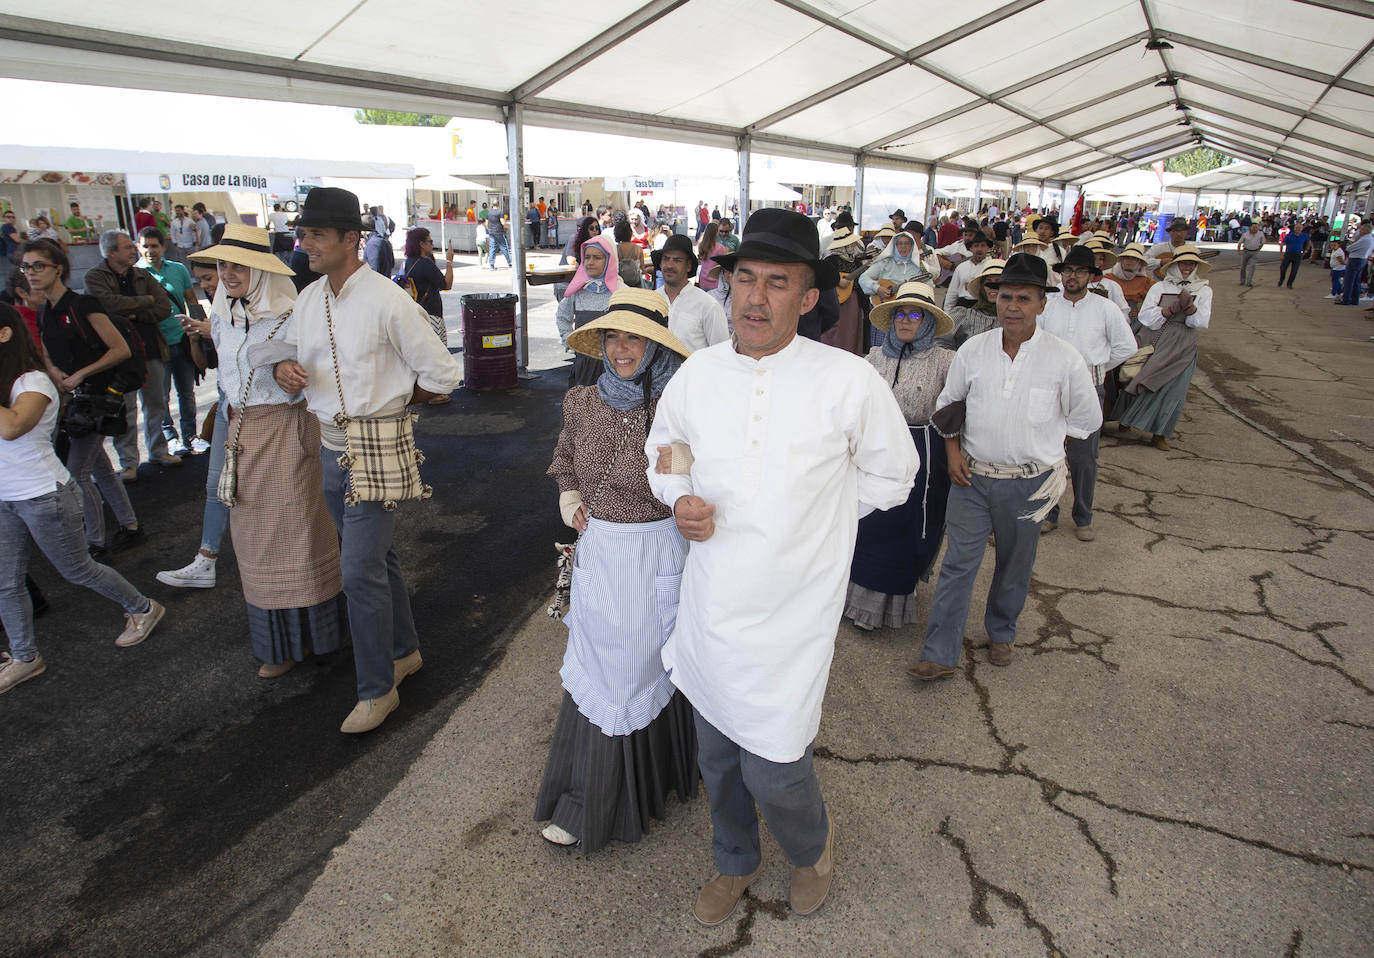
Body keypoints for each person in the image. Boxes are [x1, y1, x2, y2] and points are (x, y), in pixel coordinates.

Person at [646, 208, 916, 924]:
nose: (756, 299)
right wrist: (679, 498)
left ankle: (811, 848)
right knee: (718, 758)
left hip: (793, 618)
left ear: (808, 295)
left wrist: (818, 517)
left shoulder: (848, 381)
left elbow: (896, 474)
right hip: (713, 607)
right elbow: (665, 452)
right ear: (728, 285)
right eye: (744, 279)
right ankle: (734, 860)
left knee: (775, 763)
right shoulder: (697, 375)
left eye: (777, 282)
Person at [272, 187, 463, 733]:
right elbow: (283, 353)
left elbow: (443, 373)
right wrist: (284, 370)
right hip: (329, 449)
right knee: (376, 563)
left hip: (377, 448)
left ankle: (377, 689)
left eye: (315, 234)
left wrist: (398, 403)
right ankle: (404, 652)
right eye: (302, 233)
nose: (304, 242)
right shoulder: (309, 298)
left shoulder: (387, 298)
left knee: (357, 572)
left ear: (350, 240)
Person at [536, 287, 698, 851]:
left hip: (657, 551)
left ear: (656, 345)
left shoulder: (676, 409)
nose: (622, 348)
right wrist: (570, 495)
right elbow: (564, 461)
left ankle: (642, 788)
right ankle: (590, 797)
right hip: (601, 551)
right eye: (613, 336)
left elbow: (690, 482)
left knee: (645, 665)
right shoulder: (579, 401)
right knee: (605, 670)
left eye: (636, 337)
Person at [908, 254, 1100, 680]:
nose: (1013, 306)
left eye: (1024, 298)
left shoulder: (1064, 359)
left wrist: (1047, 447)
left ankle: (1002, 631)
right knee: (958, 564)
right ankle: (939, 653)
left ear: (1041, 304)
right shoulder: (973, 351)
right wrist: (954, 454)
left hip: (1029, 485)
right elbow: (948, 407)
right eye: (1006, 296)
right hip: (971, 477)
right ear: (994, 299)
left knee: (1015, 563)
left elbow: (1087, 420)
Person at [189, 225, 348, 678]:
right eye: (223, 265)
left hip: (286, 435)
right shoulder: (223, 314)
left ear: (262, 269)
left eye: (240, 265)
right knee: (253, 543)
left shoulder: (293, 315)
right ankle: (279, 646)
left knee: (296, 535)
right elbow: (228, 377)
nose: (230, 273)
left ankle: (317, 639)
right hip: (240, 432)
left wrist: (287, 367)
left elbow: (322, 369)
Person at [0, 305, 166, 694]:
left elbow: (12, 428)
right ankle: (26, 657)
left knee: (77, 569)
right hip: (7, 498)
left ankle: (143, 608)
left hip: (44, 496)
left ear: (4, 334)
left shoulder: (33, 383)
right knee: (5, 583)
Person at [22, 239, 145, 557]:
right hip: (77, 401)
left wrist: (81, 374)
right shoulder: (46, 312)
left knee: (78, 472)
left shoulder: (83, 305)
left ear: (57, 268)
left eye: (38, 266)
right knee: (99, 468)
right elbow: (47, 352)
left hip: (99, 400)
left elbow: (120, 349)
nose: (31, 273)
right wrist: (54, 372)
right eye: (26, 266)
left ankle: (97, 541)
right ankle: (130, 526)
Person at [844, 282, 955, 630]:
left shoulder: (945, 361)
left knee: (906, 528)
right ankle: (852, 603)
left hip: (921, 453)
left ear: (927, 322)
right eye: (900, 314)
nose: (906, 321)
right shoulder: (873, 359)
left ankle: (888, 606)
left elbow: (955, 412)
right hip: (872, 451)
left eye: (915, 314)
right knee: (867, 522)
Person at [1039, 245, 1136, 541]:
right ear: (1061, 273)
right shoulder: (1049, 304)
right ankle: (1048, 513)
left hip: (1088, 388)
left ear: (1091, 276)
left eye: (1080, 271)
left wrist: (1095, 368)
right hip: (1049, 386)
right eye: (1068, 270)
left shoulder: (1105, 308)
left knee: (1083, 456)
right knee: (1047, 451)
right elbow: (1036, 339)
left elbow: (1127, 346)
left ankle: (1083, 516)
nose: (1073, 276)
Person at [84, 230, 182, 476]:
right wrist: (145, 301)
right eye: (128, 247)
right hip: (119, 356)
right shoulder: (95, 277)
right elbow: (106, 306)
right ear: (111, 252)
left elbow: (162, 307)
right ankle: (129, 462)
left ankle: (158, 451)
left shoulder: (141, 275)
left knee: (157, 404)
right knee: (125, 409)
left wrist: (136, 313)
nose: (134, 251)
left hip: (150, 348)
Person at [157, 257, 229, 590]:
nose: (209, 284)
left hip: (264, 416)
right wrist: (194, 338)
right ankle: (207, 558)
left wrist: (209, 330)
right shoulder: (213, 312)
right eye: (202, 280)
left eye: (210, 277)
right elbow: (207, 363)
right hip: (230, 408)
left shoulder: (253, 307)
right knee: (215, 486)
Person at [1112, 245, 1212, 451]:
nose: (1187, 267)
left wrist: (1191, 309)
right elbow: (1146, 316)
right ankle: (1126, 418)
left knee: (1174, 389)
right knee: (1141, 378)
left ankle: (1159, 433)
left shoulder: (1203, 289)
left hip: (1183, 342)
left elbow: (1202, 321)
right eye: (1183, 263)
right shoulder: (1160, 287)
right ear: (1175, 265)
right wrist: (1168, 310)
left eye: (1191, 264)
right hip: (1157, 338)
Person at [138, 228, 206, 456]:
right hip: (155, 346)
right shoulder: (136, 273)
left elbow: (191, 299)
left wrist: (200, 329)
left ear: (163, 247)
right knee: (160, 396)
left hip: (182, 340)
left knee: (186, 392)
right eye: (145, 246)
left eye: (154, 246)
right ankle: (171, 437)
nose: (150, 250)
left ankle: (190, 436)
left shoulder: (177, 270)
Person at [557, 234, 619, 387]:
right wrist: (569, 341)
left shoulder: (621, 292)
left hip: (614, 369)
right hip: (583, 367)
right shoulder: (578, 292)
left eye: (597, 257)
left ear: (609, 260)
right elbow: (562, 316)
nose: (590, 262)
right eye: (587, 257)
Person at [653, 234, 728, 352]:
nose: (669, 265)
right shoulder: (652, 301)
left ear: (688, 266)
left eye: (677, 260)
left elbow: (721, 353)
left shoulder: (708, 305)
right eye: (666, 259)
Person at [401, 227, 455, 343]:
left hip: (415, 315)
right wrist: (449, 261)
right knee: (437, 354)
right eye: (430, 242)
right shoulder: (425, 264)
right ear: (421, 244)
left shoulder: (408, 262)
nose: (432, 245)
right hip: (431, 315)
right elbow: (447, 284)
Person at [1104, 243, 1155, 325]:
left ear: (1139, 262)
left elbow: (1153, 304)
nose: (1129, 261)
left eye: (1134, 259)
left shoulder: (1147, 282)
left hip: (1134, 321)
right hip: (1108, 316)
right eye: (1126, 258)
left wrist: (1140, 311)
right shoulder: (1108, 278)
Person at [1339, 221, 1372, 306]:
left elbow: (1349, 248)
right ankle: (1354, 299)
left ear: (1366, 230)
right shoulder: (1370, 238)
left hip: (1356, 259)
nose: (1360, 231)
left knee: (1349, 280)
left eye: (1361, 229)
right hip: (1362, 259)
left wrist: (1350, 246)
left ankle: (1346, 299)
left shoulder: (1364, 239)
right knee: (1356, 280)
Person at [696, 221, 727, 292]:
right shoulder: (720, 248)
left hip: (703, 280)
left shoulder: (701, 245)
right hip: (715, 282)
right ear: (716, 233)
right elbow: (723, 265)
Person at [1277, 223, 1310, 288]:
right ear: (1294, 228)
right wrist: (1281, 253)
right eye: (1297, 227)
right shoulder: (1289, 235)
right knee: (1283, 268)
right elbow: (1282, 244)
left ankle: (1290, 283)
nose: (1298, 229)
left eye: (1299, 228)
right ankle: (1281, 279)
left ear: (1302, 229)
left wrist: (1305, 251)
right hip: (1288, 254)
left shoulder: (1304, 236)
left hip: (1297, 254)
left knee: (1294, 270)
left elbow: (1309, 242)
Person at [486, 204, 513, 269]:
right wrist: (510, 227)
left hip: (491, 233)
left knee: (492, 248)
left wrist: (489, 230)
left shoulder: (489, 213)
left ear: (492, 205)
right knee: (505, 248)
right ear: (498, 205)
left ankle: (491, 265)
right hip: (499, 232)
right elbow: (503, 222)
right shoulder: (500, 212)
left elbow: (486, 223)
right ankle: (510, 263)